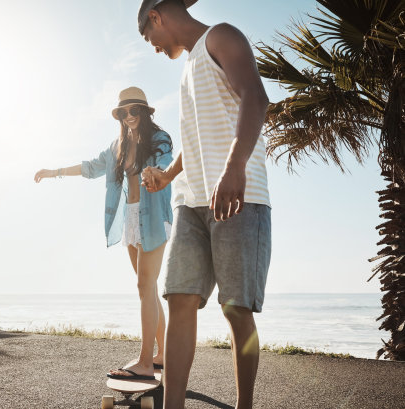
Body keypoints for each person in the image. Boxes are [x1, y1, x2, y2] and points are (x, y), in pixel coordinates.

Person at [137, 1, 272, 408]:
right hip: (191, 203)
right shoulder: (187, 68)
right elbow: (196, 140)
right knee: (179, 298)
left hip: (239, 197)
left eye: (149, 37)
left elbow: (256, 97)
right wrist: (168, 175)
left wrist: (234, 168)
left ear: (156, 17)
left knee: (235, 309)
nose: (153, 47)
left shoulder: (221, 36)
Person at [34, 86, 174, 380]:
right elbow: (90, 168)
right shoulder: (117, 147)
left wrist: (157, 173)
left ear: (145, 112)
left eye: (134, 110)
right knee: (146, 288)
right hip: (130, 219)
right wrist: (53, 172)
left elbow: (166, 161)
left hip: (153, 219)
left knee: (144, 286)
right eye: (123, 112)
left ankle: (146, 362)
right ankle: (163, 354)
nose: (129, 116)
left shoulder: (159, 138)